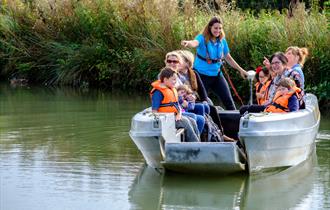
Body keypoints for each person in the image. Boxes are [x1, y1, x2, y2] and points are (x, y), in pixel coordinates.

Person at [181, 16, 247, 110]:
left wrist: (241, 70)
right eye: (215, 28)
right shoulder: (202, 38)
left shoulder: (222, 40)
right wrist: (189, 43)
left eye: (220, 28)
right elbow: (195, 42)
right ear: (210, 27)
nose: (218, 30)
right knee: (200, 102)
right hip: (201, 76)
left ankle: (235, 121)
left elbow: (228, 57)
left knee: (228, 101)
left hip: (217, 75)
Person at [150, 67, 200, 142]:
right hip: (166, 120)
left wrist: (179, 114)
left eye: (176, 80)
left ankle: (198, 143)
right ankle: (196, 146)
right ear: (165, 79)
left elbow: (176, 106)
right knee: (186, 123)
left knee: (192, 121)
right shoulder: (158, 92)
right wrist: (161, 123)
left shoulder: (171, 89)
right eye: (173, 79)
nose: (175, 82)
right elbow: (154, 111)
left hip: (174, 116)